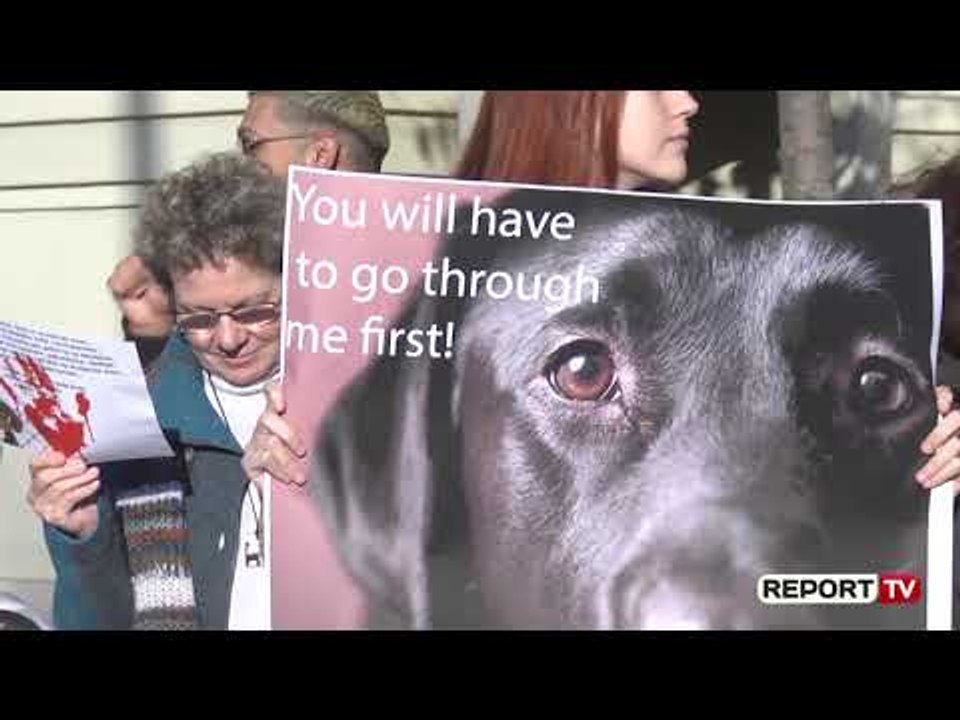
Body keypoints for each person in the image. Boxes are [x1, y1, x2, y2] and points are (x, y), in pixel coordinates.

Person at [247, 89, 960, 497]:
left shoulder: (721, 270)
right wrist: (282, 460)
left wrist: (926, 444)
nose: (687, 101)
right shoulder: (429, 265)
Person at [28, 152, 286, 629]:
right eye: (200, 318)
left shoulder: (352, 399)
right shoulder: (140, 425)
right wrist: (83, 539)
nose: (228, 339)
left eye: (254, 311)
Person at [107, 91, 391, 358]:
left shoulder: (417, 287)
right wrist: (154, 331)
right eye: (201, 315)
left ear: (320, 155)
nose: (241, 163)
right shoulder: (221, 263)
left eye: (250, 144)